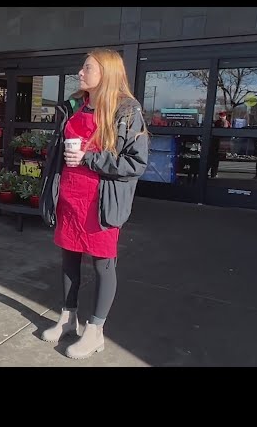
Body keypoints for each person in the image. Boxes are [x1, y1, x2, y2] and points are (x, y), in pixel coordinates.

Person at [39, 49, 149, 359]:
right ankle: (67, 317)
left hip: (101, 202)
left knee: (103, 265)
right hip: (71, 196)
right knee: (69, 259)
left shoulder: (127, 111)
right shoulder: (75, 105)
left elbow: (136, 163)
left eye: (87, 67)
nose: (81, 72)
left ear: (107, 73)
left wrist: (89, 158)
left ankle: (95, 330)